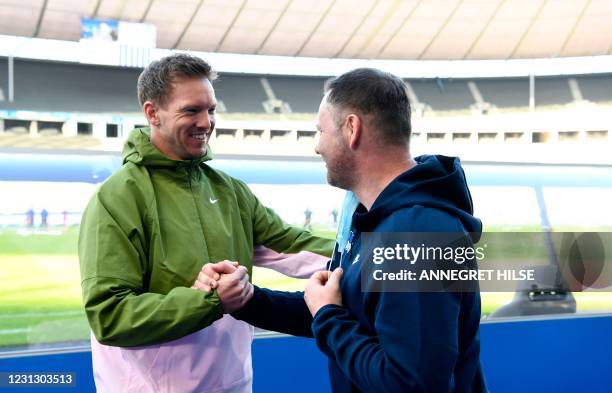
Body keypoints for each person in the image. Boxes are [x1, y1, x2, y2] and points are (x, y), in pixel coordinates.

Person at [198, 68, 487, 392]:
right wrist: (246, 301)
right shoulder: (365, 212)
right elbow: (336, 310)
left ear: (352, 129)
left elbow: (411, 384)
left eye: (320, 131)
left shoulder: (420, 234)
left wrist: (329, 316)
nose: (316, 146)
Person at [78, 53, 333, 393]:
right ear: (152, 113)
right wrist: (211, 300)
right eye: (191, 110)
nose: (206, 122)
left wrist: (384, 255)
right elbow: (110, 315)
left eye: (210, 110)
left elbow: (293, 245)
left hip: (233, 385)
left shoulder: (230, 191)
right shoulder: (116, 198)